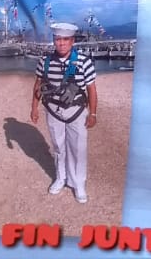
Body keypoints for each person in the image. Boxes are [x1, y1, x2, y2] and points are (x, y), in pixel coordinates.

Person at [30, 22, 98, 204]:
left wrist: (93, 114)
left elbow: (91, 89)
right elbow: (38, 85)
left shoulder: (84, 62)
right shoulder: (44, 61)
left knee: (78, 148)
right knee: (58, 146)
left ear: (72, 41)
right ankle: (60, 178)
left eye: (65, 39)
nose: (61, 43)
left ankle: (78, 183)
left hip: (77, 111)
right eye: (58, 39)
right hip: (53, 111)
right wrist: (34, 107)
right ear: (54, 40)